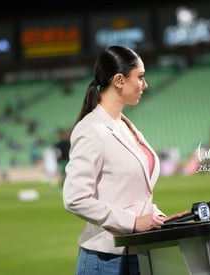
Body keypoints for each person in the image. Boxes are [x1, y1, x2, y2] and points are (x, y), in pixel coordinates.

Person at [62, 45, 188, 275]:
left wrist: (159, 218)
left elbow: (131, 191)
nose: (145, 85)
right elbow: (74, 198)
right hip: (105, 261)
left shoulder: (127, 125)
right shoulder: (91, 129)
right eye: (140, 77)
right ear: (119, 80)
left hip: (138, 255)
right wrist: (132, 223)